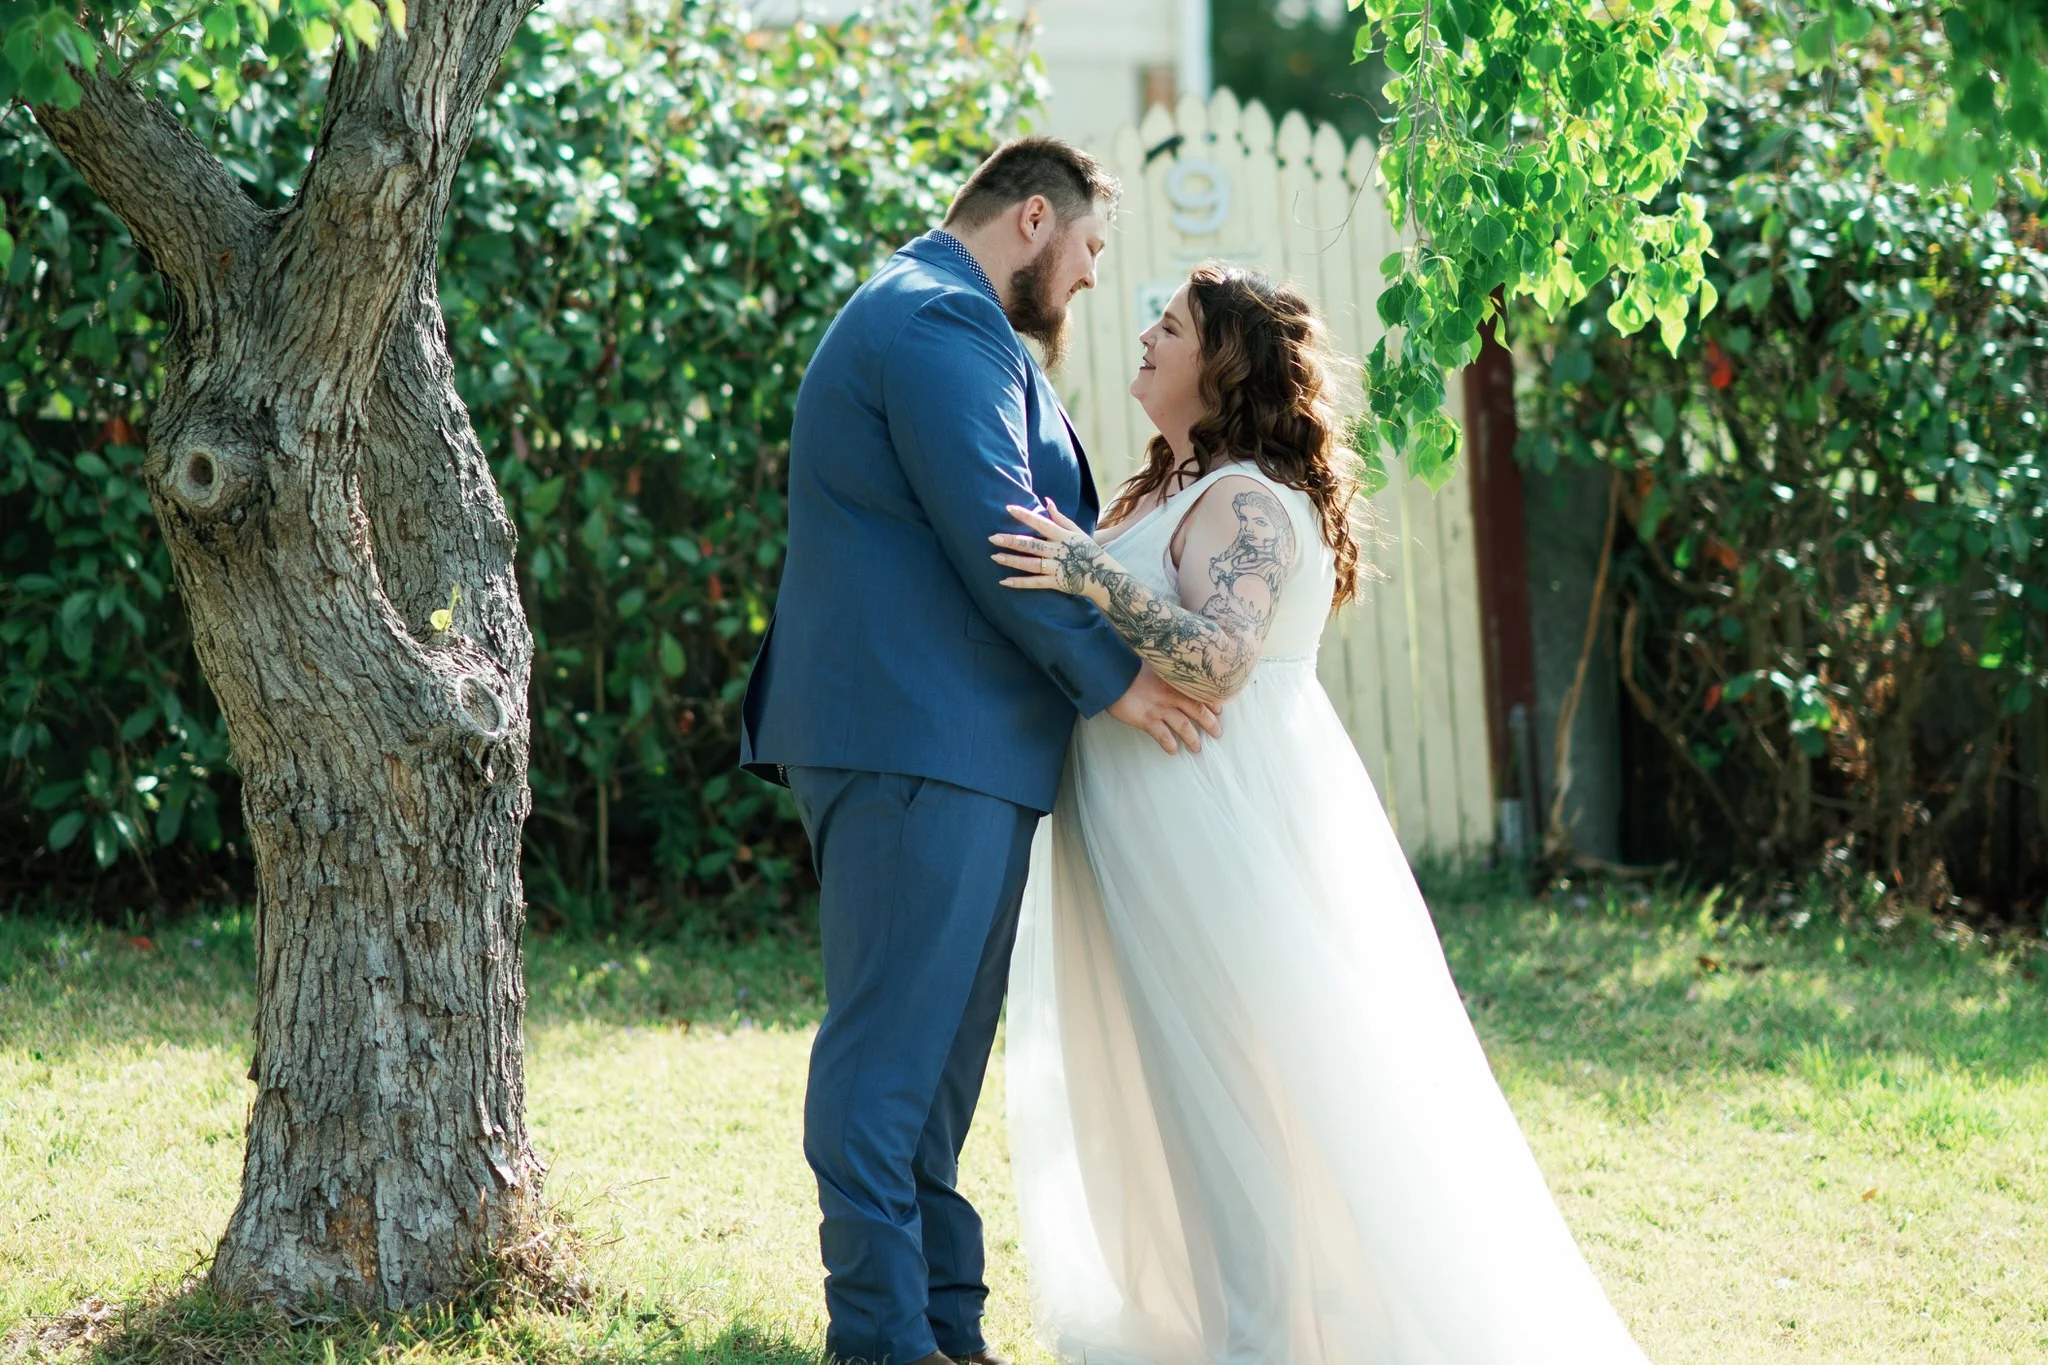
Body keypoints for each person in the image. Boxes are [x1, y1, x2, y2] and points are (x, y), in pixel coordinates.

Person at [989, 264, 1655, 1364]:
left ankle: (1268, 1344)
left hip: (1214, 831)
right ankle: (1232, 1331)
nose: (1144, 339)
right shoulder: (1156, 488)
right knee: (1178, 1102)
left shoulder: (1244, 500)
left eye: (1170, 327)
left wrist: (1080, 572)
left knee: (1242, 1105)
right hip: (1140, 827)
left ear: (1226, 365)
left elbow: (1216, 660)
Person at [738, 137, 1222, 1365]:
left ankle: (945, 1331)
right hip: (916, 739)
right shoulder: (931, 322)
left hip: (958, 751)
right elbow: (1001, 528)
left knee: (937, 1074)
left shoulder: (956, 326)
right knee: (888, 1063)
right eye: (1091, 252)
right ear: (1033, 219)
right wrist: (1115, 682)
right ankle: (881, 1342)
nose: (1092, 280)